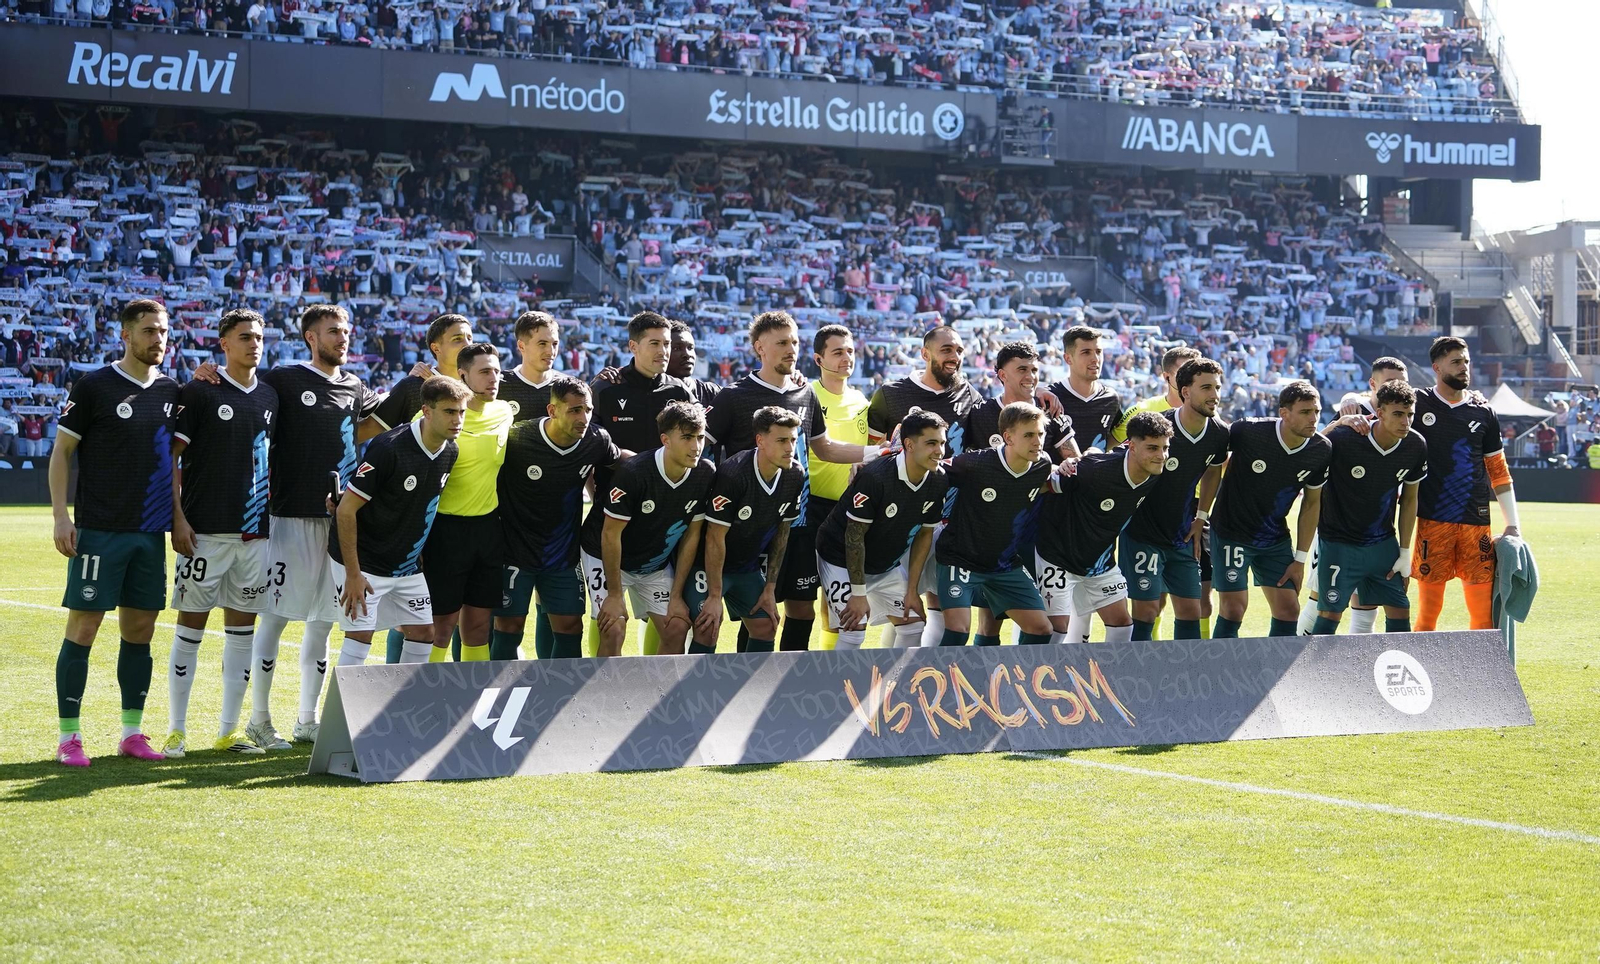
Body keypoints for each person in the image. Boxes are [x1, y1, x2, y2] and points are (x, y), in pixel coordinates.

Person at [242, 304, 383, 743]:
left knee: (324, 621)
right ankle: (259, 720)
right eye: (332, 331)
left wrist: (418, 384)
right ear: (311, 337)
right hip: (290, 516)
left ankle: (307, 721)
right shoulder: (284, 378)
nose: (342, 338)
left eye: (345, 331)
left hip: (338, 521)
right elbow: (246, 397)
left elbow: (370, 428)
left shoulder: (354, 385)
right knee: (277, 617)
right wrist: (210, 372)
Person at [49, 300, 181, 767]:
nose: (158, 340)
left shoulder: (171, 390)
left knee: (140, 631)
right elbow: (61, 451)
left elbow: (175, 462)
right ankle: (69, 737)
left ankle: (131, 732)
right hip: (100, 530)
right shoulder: (95, 386)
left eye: (163, 331)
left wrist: (178, 520)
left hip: (149, 533)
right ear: (125, 335)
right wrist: (62, 517)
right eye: (148, 331)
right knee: (85, 627)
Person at [704, 311, 874, 652]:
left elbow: (823, 448)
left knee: (801, 607)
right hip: (747, 528)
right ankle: (747, 682)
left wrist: (877, 453)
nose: (791, 349)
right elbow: (702, 450)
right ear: (759, 348)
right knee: (756, 611)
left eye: (794, 342)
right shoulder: (733, 397)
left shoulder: (804, 394)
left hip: (796, 521)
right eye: (781, 342)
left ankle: (788, 688)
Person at [162, 308, 279, 758]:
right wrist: (178, 517)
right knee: (189, 629)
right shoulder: (200, 391)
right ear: (224, 344)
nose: (254, 344)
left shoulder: (270, 395)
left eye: (259, 336)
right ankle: (176, 731)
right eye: (245, 336)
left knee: (240, 635)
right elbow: (170, 459)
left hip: (254, 534)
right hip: (204, 533)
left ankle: (229, 732)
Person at [329, 377, 467, 666]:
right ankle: (339, 713)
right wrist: (353, 575)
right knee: (360, 636)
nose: (458, 420)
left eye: (462, 412)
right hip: (364, 563)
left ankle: (404, 708)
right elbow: (345, 511)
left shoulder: (451, 450)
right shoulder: (389, 447)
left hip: (406, 566)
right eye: (449, 412)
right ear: (427, 411)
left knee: (423, 633)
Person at [582, 311, 694, 654]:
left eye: (667, 344)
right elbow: (588, 449)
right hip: (611, 522)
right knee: (610, 626)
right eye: (654, 344)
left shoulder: (679, 391)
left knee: (676, 626)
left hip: (658, 530)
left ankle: (656, 702)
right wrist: (594, 490)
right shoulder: (604, 388)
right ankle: (599, 699)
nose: (663, 351)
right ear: (633, 346)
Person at [867, 324, 986, 646]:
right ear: (925, 353)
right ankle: (889, 680)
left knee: (935, 602)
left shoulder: (970, 396)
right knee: (903, 606)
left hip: (947, 519)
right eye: (947, 350)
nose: (955, 357)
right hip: (899, 518)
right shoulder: (891, 394)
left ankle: (913, 679)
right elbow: (872, 453)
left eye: (959, 350)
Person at [497, 376, 622, 660]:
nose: (584, 417)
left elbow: (619, 461)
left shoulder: (596, 439)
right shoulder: (517, 438)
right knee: (508, 625)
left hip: (562, 554)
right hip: (514, 551)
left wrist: (657, 461)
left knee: (569, 625)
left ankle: (562, 699)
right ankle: (495, 695)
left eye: (588, 409)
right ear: (552, 411)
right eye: (575, 410)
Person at [583, 401, 716, 657]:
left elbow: (691, 535)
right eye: (687, 437)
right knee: (613, 627)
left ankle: (661, 695)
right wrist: (613, 595)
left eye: (700, 437)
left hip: (653, 564)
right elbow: (610, 535)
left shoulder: (705, 473)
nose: (696, 446)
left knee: (676, 627)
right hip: (605, 557)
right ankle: (606, 695)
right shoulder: (634, 473)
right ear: (666, 439)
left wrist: (676, 595)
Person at [1412, 336, 1522, 631]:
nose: (1464, 368)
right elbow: (1376, 408)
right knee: (1428, 615)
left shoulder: (1484, 411)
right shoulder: (1417, 403)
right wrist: (1348, 404)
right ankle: (1422, 675)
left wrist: (1512, 524)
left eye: (1466, 362)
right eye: (1456, 362)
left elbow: (1498, 471)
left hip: (1476, 526)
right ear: (1437, 367)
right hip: (1432, 523)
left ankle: (1483, 676)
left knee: (1483, 618)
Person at [814, 410, 950, 650]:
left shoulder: (939, 480)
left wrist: (911, 591)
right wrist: (858, 593)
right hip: (839, 558)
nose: (939, 450)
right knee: (854, 628)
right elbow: (853, 537)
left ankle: (895, 685)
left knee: (913, 624)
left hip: (885, 565)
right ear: (908, 444)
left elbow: (924, 535)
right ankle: (838, 687)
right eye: (931, 443)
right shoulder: (875, 477)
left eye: (942, 443)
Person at [1037, 411, 1174, 644]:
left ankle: (1108, 680)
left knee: (1122, 624)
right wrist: (1057, 467)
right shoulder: (1094, 470)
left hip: (1099, 561)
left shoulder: (1153, 470)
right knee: (1056, 630)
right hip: (1057, 555)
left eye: (1165, 447)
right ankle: (1040, 678)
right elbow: (1043, 484)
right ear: (1132, 446)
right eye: (1152, 448)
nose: (1161, 455)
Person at [1209, 381, 1331, 638]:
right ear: (1284, 413)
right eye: (1306, 412)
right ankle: (1218, 672)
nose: (1314, 419)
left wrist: (1300, 559)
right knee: (1233, 609)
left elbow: (1311, 504)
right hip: (1231, 532)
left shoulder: (1320, 450)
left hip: (1274, 538)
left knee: (1289, 609)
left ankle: (1277, 674)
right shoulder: (1248, 431)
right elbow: (1213, 457)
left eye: (1317, 412)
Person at [1121, 358, 1231, 641]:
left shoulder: (1219, 434)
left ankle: (1191, 680)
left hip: (1181, 535)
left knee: (1191, 610)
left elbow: (1213, 471)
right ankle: (1133, 679)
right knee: (1147, 611)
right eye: (1206, 387)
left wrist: (1201, 517)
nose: (1215, 395)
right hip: (1142, 534)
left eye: (1217, 387)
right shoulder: (1159, 427)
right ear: (1185, 391)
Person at [417, 343, 514, 663]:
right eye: (485, 372)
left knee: (477, 626)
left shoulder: (504, 412)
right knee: (440, 625)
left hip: (487, 529)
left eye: (497, 371)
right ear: (462, 375)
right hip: (444, 530)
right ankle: (427, 699)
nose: (494, 378)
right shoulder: (436, 416)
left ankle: (474, 703)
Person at [1309, 380, 1429, 635]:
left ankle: (1393, 673)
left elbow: (1409, 500)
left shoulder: (1415, 445)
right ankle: (1312, 673)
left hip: (1382, 543)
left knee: (1400, 609)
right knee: (1329, 614)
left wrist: (1405, 553)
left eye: (1410, 415)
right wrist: (1336, 424)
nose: (1405, 422)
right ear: (1380, 412)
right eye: (1398, 414)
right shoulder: (1346, 438)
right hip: (1338, 542)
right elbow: (1309, 449)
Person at [934, 402, 1056, 647]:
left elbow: (1054, 479)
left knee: (1041, 629)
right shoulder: (975, 463)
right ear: (1008, 437)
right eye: (1029, 435)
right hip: (960, 559)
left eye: (1040, 434)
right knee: (958, 631)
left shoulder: (1042, 464)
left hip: (1004, 565)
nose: (1038, 441)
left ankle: (1016, 682)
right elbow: (932, 470)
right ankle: (939, 682)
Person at [686, 407, 806, 653]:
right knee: (708, 627)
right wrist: (714, 596)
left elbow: (782, 534)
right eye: (782, 440)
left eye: (793, 440)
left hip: (746, 568)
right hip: (706, 567)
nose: (789, 447)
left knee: (767, 624)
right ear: (760, 441)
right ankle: (695, 691)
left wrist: (770, 588)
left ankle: (754, 691)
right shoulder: (734, 473)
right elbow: (714, 538)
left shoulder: (795, 474)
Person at [807, 324, 868, 650]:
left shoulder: (861, 399)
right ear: (819, 358)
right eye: (838, 352)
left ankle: (830, 665)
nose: (847, 358)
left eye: (850, 351)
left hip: (847, 510)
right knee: (802, 598)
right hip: (810, 506)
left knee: (837, 597)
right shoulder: (807, 394)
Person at [370, 312, 475, 430]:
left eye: (469, 338)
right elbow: (366, 431)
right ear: (436, 348)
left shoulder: (485, 383)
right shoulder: (413, 387)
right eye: (457, 339)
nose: (467, 344)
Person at [1048, 325, 1126, 452]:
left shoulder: (1110, 398)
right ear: (1068, 359)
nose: (1095, 359)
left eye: (1098, 352)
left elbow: (1115, 441)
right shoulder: (1051, 397)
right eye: (1086, 352)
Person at [1111, 346, 1201, 445]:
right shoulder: (1140, 411)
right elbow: (1106, 451)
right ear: (1167, 377)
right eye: (1184, 373)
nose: (1192, 379)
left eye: (1197, 373)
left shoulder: (1207, 413)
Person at [499, 310, 562, 422]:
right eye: (542, 344)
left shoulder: (567, 387)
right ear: (521, 346)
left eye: (555, 344)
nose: (550, 351)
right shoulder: (498, 386)